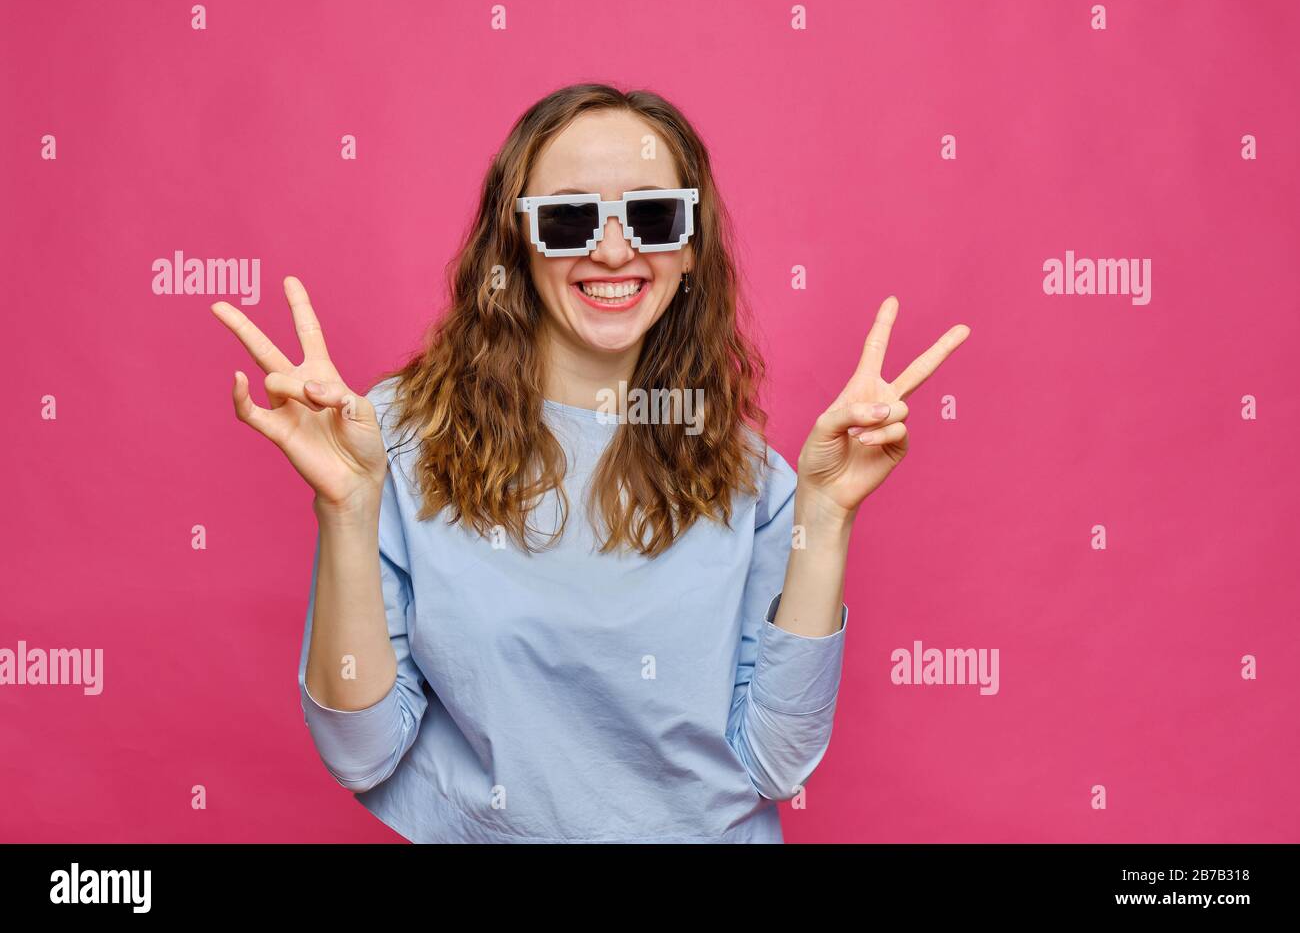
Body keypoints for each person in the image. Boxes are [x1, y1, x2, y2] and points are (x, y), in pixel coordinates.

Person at [210, 82, 970, 842]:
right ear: (515, 242)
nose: (613, 250)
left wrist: (826, 517)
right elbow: (362, 755)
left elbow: (776, 762)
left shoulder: (753, 477)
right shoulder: (393, 441)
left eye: (653, 215)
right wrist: (346, 509)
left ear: (690, 250)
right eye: (571, 219)